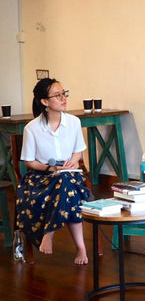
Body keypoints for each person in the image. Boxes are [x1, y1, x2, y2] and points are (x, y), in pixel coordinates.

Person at [16, 78, 90, 265]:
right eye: (57, 95)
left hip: (69, 174)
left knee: (65, 181)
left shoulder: (73, 122)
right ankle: (80, 247)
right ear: (45, 102)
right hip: (41, 177)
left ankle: (49, 233)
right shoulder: (31, 128)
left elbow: (78, 150)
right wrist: (52, 168)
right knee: (66, 189)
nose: (63, 98)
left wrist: (72, 163)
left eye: (64, 93)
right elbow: (29, 162)